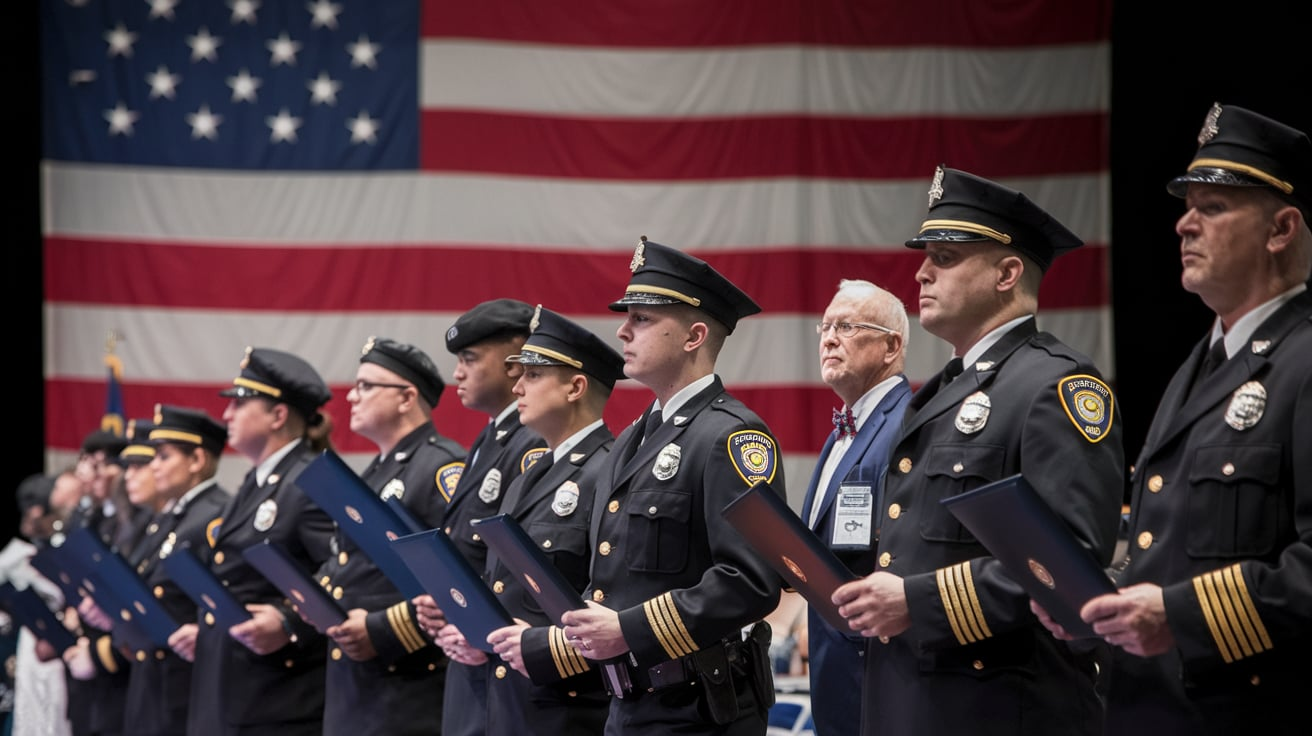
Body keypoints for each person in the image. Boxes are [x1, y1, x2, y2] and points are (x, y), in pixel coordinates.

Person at [1034, 103, 1312, 735]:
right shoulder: (1198, 368)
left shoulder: (1303, 362)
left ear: (1281, 229)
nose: (1184, 224)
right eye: (1187, 207)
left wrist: (1180, 617)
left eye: (1212, 208)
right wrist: (1097, 606)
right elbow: (1168, 555)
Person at [832, 167, 1125, 736]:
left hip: (996, 706)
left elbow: (1067, 568)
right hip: (911, 697)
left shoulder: (1055, 386)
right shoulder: (943, 390)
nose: (920, 272)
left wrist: (916, 600)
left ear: (1007, 272)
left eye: (944, 257)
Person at [558, 238, 785, 735]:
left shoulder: (732, 435)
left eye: (641, 318)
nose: (622, 330)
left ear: (693, 336)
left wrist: (628, 629)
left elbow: (752, 579)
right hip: (629, 704)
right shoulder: (629, 442)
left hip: (699, 709)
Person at [475, 305, 625, 735]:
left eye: (533, 375)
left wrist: (546, 646)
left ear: (576, 386)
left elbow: (613, 596)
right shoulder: (530, 474)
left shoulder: (608, 471)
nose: (517, 386)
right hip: (512, 699)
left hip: (571, 705)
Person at [177, 347, 336, 736]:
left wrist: (290, 619)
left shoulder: (309, 481)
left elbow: (345, 572)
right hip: (233, 687)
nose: (227, 414)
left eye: (241, 403)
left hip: (279, 697)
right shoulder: (255, 482)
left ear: (278, 415)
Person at [318, 337, 465, 736]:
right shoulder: (373, 473)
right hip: (356, 683)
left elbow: (459, 581)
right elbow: (348, 566)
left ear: (406, 398)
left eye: (367, 386)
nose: (352, 397)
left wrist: (382, 629)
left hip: (409, 684)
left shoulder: (442, 467)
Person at [413, 298, 547, 736]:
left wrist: (478, 627)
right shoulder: (489, 442)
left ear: (514, 363)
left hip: (504, 668)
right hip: (472, 658)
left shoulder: (531, 443)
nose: (457, 373)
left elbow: (524, 571)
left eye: (469, 358)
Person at [800, 279, 911, 736]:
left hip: (882, 667)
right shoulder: (841, 433)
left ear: (890, 346)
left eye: (846, 326)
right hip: (837, 666)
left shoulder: (908, 422)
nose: (828, 337)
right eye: (825, 326)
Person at [125, 405, 230, 736]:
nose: (153, 467)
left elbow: (221, 597)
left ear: (197, 461)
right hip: (154, 680)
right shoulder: (172, 518)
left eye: (164, 457)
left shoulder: (213, 516)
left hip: (184, 685)